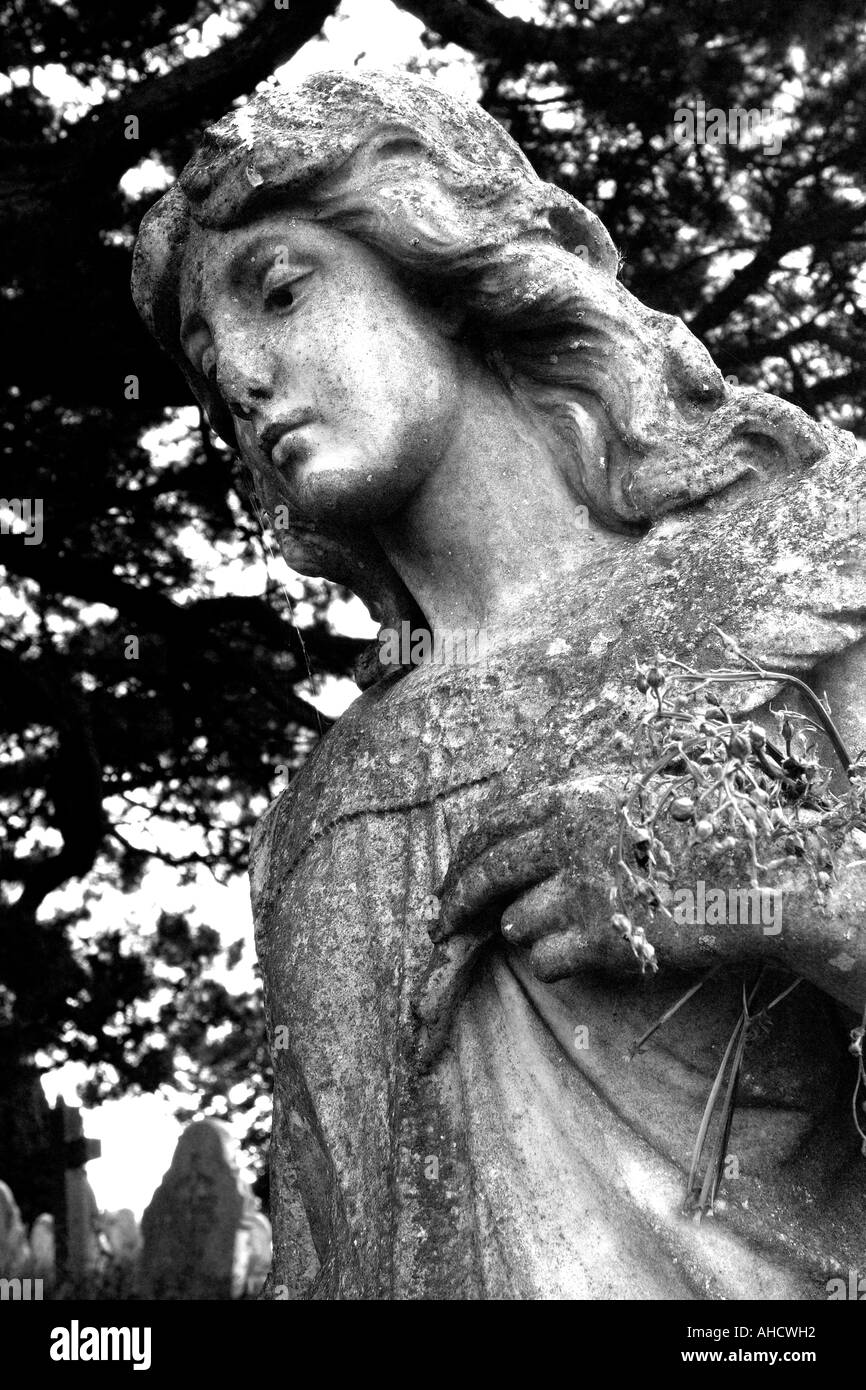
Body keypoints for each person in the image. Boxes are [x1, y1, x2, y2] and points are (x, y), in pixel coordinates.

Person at [133, 68, 866, 1299]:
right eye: (210, 364)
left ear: (445, 271)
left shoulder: (797, 569)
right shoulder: (321, 812)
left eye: (280, 291)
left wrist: (752, 896)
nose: (244, 381)